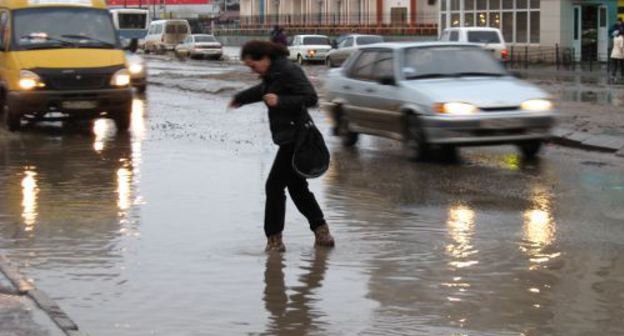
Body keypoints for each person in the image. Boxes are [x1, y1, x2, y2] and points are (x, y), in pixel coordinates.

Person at [229, 41, 335, 252]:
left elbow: (311, 97)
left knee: (274, 186)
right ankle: (322, 233)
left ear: (264, 57)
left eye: (253, 65)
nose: (252, 70)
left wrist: (280, 101)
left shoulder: (287, 70)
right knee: (297, 187)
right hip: (289, 137)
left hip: (297, 138)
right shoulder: (273, 74)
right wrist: (240, 98)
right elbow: (263, 91)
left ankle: (275, 240)